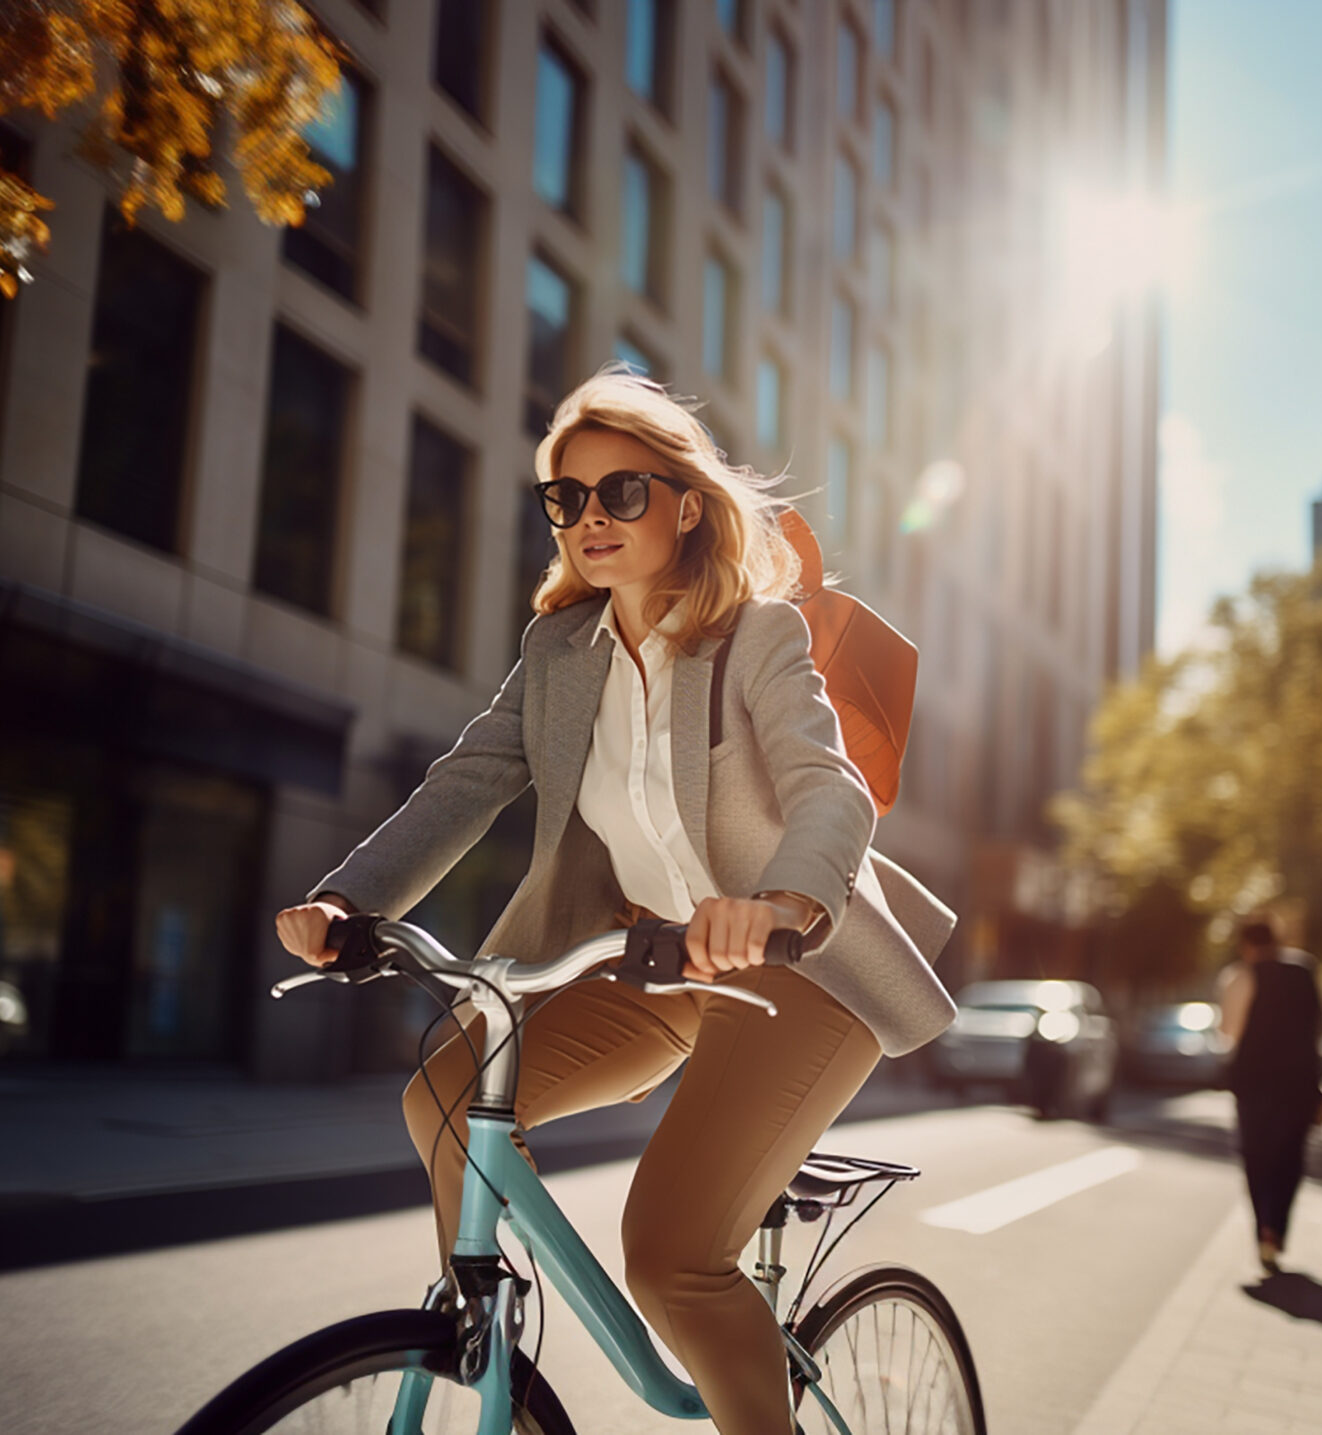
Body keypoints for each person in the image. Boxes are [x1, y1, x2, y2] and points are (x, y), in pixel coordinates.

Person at [273, 368, 957, 1435]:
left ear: (686, 503)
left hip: (796, 969)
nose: (591, 519)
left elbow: (833, 789)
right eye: (568, 499)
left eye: (621, 492)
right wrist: (344, 900)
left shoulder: (757, 637)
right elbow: (465, 782)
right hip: (653, 962)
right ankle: (479, 1327)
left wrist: (780, 899)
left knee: (674, 1258)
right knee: (441, 1101)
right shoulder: (558, 650)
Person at [1216, 917, 1322, 1274]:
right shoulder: (1305, 971)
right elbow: (1316, 1027)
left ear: (1246, 945)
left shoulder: (1239, 976)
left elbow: (1229, 1032)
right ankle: (1277, 1227)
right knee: (1289, 1159)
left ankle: (1263, 1229)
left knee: (1257, 1158)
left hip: (1254, 1082)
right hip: (1299, 1083)